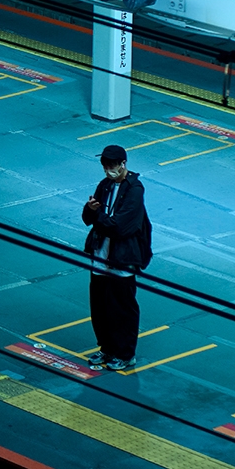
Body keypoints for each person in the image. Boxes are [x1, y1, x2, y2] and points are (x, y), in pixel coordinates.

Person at [82, 143, 153, 371]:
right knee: (100, 306)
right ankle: (106, 348)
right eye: (104, 165)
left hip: (122, 260)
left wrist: (97, 216)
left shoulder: (135, 190)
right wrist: (91, 210)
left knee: (122, 308)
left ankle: (125, 353)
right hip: (101, 255)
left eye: (111, 165)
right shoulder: (105, 185)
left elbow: (121, 227)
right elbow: (88, 218)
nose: (107, 170)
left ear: (123, 164)